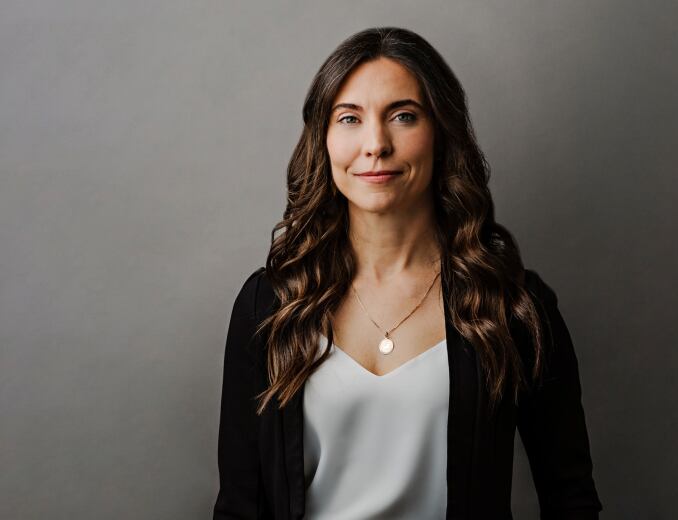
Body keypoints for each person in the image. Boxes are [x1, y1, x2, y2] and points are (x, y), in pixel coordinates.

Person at [213, 27, 603, 519]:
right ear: (324, 138)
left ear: (441, 132)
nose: (375, 144)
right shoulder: (268, 305)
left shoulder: (511, 305)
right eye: (349, 118)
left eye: (402, 116)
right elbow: (238, 507)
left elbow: (570, 499)